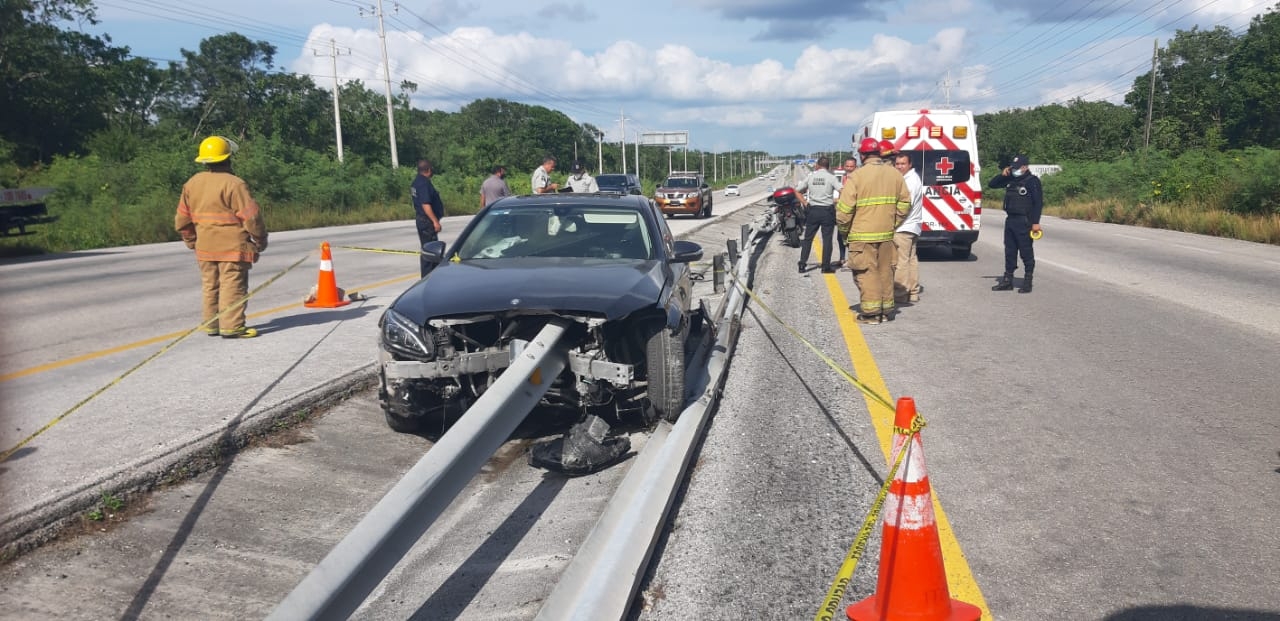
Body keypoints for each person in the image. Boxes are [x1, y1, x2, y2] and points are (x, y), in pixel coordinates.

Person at [175, 135, 268, 339]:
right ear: (228, 158)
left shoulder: (191, 184)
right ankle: (232, 326)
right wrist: (260, 240)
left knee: (211, 286)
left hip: (205, 247)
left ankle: (212, 325)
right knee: (232, 285)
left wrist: (191, 241)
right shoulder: (235, 184)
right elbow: (251, 217)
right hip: (233, 248)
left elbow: (182, 219)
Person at [837, 137, 910, 325]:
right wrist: (893, 223)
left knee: (866, 274)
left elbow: (844, 212)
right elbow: (904, 203)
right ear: (879, 153)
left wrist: (845, 232)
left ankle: (871, 314)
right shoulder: (895, 175)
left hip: (861, 236)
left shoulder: (857, 177)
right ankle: (885, 311)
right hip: (886, 235)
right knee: (885, 272)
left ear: (862, 156)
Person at [989, 154, 1043, 293]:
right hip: (1011, 220)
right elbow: (992, 184)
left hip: (1025, 221)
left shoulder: (1032, 181)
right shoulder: (1011, 179)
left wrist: (1035, 223)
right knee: (1010, 251)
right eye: (1013, 167)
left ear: (1025, 167)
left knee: (1026, 252)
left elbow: (1038, 203)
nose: (1015, 170)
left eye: (1017, 168)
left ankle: (1027, 281)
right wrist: (1003, 175)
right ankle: (1007, 281)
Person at [794, 156, 841, 273]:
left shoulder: (811, 177)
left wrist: (805, 202)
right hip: (827, 211)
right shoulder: (831, 177)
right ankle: (826, 267)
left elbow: (797, 190)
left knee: (808, 239)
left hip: (813, 210)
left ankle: (802, 264)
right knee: (827, 240)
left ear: (818, 165)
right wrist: (837, 201)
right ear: (828, 166)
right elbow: (842, 190)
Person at [893, 151, 925, 304]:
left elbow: (905, 206)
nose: (899, 167)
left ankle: (900, 294)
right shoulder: (912, 178)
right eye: (897, 164)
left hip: (904, 227)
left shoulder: (909, 181)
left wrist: (893, 223)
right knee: (911, 260)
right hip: (913, 226)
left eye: (903, 164)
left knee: (901, 262)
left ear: (910, 164)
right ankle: (912, 291)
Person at [411, 159, 445, 278]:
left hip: (421, 220)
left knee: (428, 250)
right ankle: (429, 278)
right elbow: (426, 204)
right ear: (429, 170)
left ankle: (430, 276)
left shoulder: (416, 182)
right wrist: (435, 221)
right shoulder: (424, 183)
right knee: (431, 252)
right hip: (427, 222)